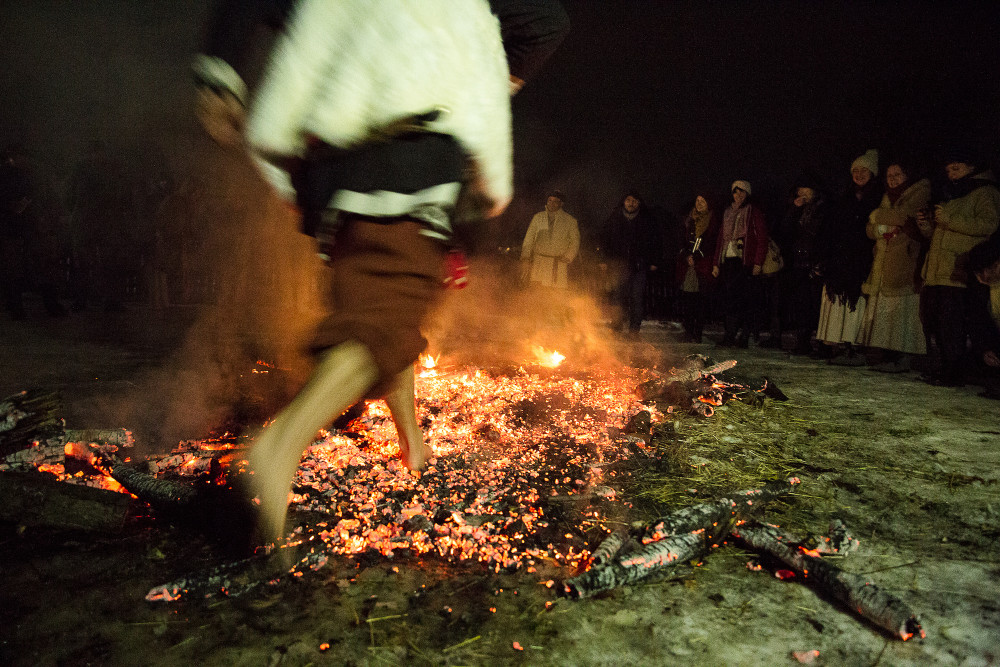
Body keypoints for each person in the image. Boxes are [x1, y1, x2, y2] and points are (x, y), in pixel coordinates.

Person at [194, 0, 569, 547]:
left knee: (384, 306)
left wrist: (220, 72)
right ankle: (276, 450)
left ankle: (410, 440)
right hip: (406, 148)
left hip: (328, 159)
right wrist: (481, 76)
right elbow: (544, 22)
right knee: (385, 319)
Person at [917, 149, 1000, 386]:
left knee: (953, 324)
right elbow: (940, 233)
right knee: (935, 320)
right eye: (949, 170)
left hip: (958, 268)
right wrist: (926, 226)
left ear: (972, 167)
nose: (952, 174)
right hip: (937, 269)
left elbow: (989, 225)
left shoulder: (986, 192)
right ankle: (943, 367)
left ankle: (955, 372)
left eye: (957, 168)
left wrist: (949, 220)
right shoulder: (951, 194)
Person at [856, 160, 931, 372]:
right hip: (885, 261)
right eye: (889, 175)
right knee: (888, 313)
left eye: (897, 174)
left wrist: (877, 216)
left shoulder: (919, 191)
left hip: (906, 261)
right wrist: (881, 230)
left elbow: (901, 216)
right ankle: (889, 355)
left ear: (908, 175)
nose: (893, 179)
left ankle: (905, 357)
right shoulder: (888, 196)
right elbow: (870, 230)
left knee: (905, 312)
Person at [814, 149, 882, 364]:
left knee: (857, 302)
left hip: (863, 258)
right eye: (855, 170)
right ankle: (838, 344)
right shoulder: (845, 196)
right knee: (839, 303)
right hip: (841, 257)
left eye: (864, 170)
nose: (859, 174)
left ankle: (855, 347)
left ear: (872, 173)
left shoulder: (879, 197)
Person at [768, 172, 832, 354]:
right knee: (802, 305)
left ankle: (822, 344)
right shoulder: (797, 208)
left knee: (817, 305)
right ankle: (802, 342)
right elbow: (785, 231)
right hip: (797, 263)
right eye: (800, 189)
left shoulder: (823, 208)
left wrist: (821, 261)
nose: (802, 192)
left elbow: (825, 235)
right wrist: (794, 210)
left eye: (806, 189)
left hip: (815, 263)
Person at [596, 191, 663, 333]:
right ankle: (617, 325)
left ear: (639, 203)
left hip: (639, 266)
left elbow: (655, 242)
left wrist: (654, 261)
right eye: (628, 200)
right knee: (618, 296)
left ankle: (634, 329)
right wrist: (603, 259)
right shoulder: (615, 218)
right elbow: (604, 240)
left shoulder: (647, 220)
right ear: (623, 202)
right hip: (618, 265)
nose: (631, 203)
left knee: (636, 298)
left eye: (634, 200)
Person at [712, 180, 768, 347]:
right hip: (728, 261)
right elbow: (721, 239)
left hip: (744, 263)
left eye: (742, 192)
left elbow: (762, 239)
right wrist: (716, 263)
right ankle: (730, 335)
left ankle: (743, 337)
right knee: (729, 300)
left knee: (745, 301)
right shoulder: (728, 212)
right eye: (736, 192)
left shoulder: (753, 212)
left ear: (747, 194)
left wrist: (758, 262)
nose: (738, 195)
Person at [675, 192, 718, 342]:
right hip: (688, 266)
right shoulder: (688, 220)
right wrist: (686, 255)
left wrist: (698, 255)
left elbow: (712, 242)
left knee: (701, 300)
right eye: (697, 200)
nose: (699, 204)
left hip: (703, 265)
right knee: (688, 299)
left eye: (703, 201)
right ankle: (688, 331)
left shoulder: (712, 220)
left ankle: (697, 332)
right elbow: (681, 240)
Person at [521, 190, 580, 289]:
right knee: (537, 292)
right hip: (539, 263)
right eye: (550, 200)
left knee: (554, 295)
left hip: (558, 264)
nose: (551, 204)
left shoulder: (570, 221)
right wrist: (525, 256)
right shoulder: (538, 217)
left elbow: (575, 241)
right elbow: (529, 238)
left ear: (561, 204)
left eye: (555, 201)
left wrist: (569, 256)